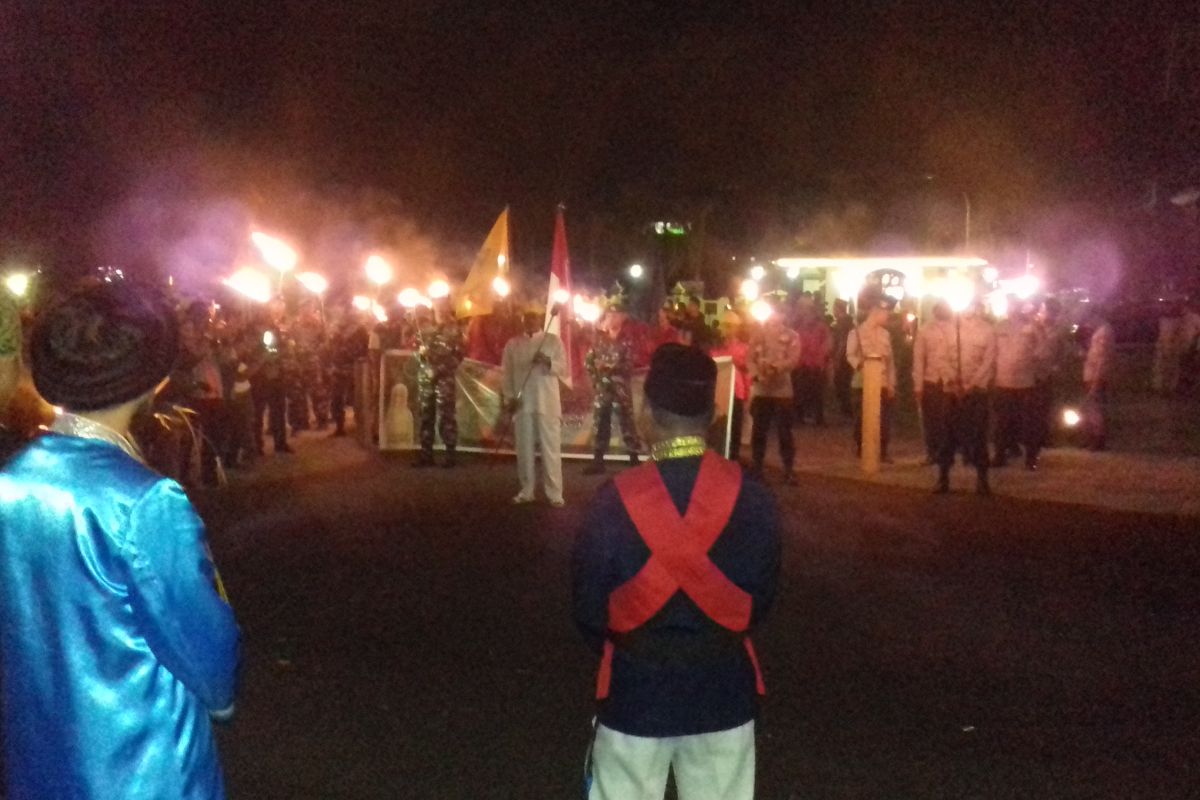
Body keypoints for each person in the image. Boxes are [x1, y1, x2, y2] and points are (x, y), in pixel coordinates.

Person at [0, 281, 239, 799]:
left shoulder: (9, 482)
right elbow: (202, 641)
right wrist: (221, 696)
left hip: (36, 756)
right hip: (141, 765)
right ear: (151, 382)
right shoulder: (145, 500)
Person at [572, 343, 780, 800]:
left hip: (635, 693)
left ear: (647, 409)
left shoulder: (613, 501)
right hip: (723, 689)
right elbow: (761, 600)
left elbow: (589, 611)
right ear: (714, 411)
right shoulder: (754, 497)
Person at [501, 305, 568, 506]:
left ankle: (555, 494)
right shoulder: (513, 344)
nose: (530, 321)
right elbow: (506, 375)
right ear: (522, 320)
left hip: (547, 402)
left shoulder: (552, 341)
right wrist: (509, 398)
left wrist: (548, 362)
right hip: (523, 404)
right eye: (526, 318)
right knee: (524, 450)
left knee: (551, 449)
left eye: (533, 317)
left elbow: (563, 369)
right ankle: (526, 490)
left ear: (540, 319)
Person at [934, 301, 997, 495]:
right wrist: (952, 380)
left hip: (976, 392)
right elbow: (941, 357)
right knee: (947, 437)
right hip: (952, 392)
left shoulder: (987, 330)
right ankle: (943, 478)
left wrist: (971, 385)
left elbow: (988, 361)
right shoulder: (948, 328)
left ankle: (982, 481)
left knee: (978, 436)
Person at [585, 304, 643, 474]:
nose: (612, 319)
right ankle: (598, 460)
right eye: (609, 316)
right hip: (603, 388)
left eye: (616, 315)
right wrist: (596, 379)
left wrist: (612, 368)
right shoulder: (599, 341)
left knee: (627, 421)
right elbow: (588, 362)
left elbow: (630, 364)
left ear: (621, 318)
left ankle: (634, 457)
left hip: (620, 388)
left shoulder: (627, 341)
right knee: (601, 422)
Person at [748, 305, 801, 482]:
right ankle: (757, 466)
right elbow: (749, 358)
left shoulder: (792, 336)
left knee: (785, 432)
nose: (774, 319)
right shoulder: (758, 336)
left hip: (782, 391)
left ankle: (788, 469)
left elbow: (793, 359)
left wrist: (776, 367)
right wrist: (756, 373)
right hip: (762, 390)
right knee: (759, 430)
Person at [414, 297, 464, 467]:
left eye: (443, 307)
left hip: (444, 380)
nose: (440, 310)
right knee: (426, 416)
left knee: (446, 416)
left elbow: (458, 356)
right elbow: (419, 354)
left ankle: (450, 454)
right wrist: (422, 357)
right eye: (437, 307)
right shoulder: (426, 331)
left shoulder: (454, 330)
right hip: (426, 380)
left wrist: (440, 370)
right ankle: (426, 454)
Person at [846, 296, 896, 463]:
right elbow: (850, 355)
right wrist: (860, 365)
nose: (887, 316)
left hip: (881, 382)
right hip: (862, 383)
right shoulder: (856, 333)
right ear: (876, 313)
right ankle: (863, 448)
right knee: (861, 419)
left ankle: (882, 450)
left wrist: (891, 384)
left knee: (883, 420)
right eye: (885, 313)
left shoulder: (885, 335)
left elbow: (890, 362)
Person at [992, 305, 1043, 469]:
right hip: (1003, 381)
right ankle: (1000, 455)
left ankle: (1031, 459)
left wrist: (1033, 363)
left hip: (1026, 383)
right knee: (1003, 421)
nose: (1012, 309)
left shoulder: (1032, 326)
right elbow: (992, 351)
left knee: (1028, 423)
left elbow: (1043, 348)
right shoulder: (999, 327)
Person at [913, 301, 955, 465]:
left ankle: (947, 452)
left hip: (950, 380)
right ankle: (932, 452)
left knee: (949, 419)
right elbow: (919, 359)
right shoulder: (925, 330)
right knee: (931, 419)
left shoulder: (956, 328)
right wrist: (918, 385)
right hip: (931, 380)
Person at [710, 312, 750, 462]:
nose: (726, 329)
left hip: (736, 392)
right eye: (725, 326)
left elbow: (747, 373)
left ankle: (733, 459)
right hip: (720, 392)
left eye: (730, 326)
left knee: (735, 429)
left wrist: (747, 394)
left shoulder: (743, 348)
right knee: (719, 428)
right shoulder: (716, 347)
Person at [327, 306, 369, 437]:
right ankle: (339, 427)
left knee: (358, 399)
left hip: (355, 369)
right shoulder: (338, 330)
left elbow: (365, 349)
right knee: (337, 399)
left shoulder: (361, 331)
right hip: (339, 369)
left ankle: (360, 426)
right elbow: (332, 348)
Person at [792, 303, 832, 425]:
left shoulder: (822, 328)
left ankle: (818, 417)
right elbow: (796, 344)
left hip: (817, 365)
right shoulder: (799, 328)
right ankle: (800, 416)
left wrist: (821, 356)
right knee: (801, 392)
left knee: (818, 392)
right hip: (803, 364)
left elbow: (828, 343)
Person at [1082, 308, 1114, 451]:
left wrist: (1096, 381)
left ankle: (1097, 440)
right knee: (1095, 408)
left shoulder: (1103, 333)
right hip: (1095, 375)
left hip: (1096, 376)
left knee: (1095, 409)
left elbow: (1102, 359)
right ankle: (1094, 438)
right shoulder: (1102, 331)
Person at [830, 298, 855, 417]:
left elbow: (842, 342)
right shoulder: (849, 323)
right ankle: (846, 409)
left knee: (841, 383)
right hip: (847, 357)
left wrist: (837, 358)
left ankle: (846, 410)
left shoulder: (842, 324)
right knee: (844, 383)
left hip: (843, 358)